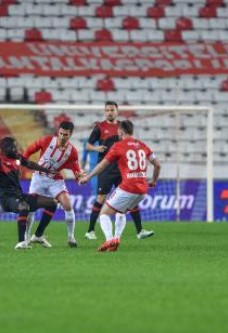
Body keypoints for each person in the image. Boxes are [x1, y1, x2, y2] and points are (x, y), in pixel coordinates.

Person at [79, 120, 161, 252]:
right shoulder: (142, 145)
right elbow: (157, 165)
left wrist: (88, 177)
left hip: (128, 187)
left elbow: (103, 165)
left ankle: (110, 239)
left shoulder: (118, 146)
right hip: (143, 190)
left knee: (104, 214)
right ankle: (117, 238)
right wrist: (153, 181)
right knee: (121, 211)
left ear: (120, 131)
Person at [84, 101, 154, 241]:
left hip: (122, 169)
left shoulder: (122, 126)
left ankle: (140, 231)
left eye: (112, 109)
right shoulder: (100, 127)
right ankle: (90, 230)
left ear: (117, 111)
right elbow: (88, 145)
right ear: (105, 112)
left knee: (130, 200)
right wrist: (97, 148)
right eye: (107, 110)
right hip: (105, 168)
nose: (110, 112)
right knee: (101, 198)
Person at [0, 137, 59, 250]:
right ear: (6, 148)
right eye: (14, 146)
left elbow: (31, 164)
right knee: (24, 207)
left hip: (20, 196)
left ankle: (38, 235)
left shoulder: (18, 158)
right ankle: (21, 242)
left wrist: (47, 170)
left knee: (53, 203)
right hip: (6, 198)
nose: (16, 149)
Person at [22, 121, 85, 248]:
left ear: (71, 134)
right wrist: (23, 161)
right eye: (61, 133)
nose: (62, 137)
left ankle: (71, 237)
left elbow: (77, 171)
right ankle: (26, 238)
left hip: (55, 180)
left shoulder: (72, 152)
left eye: (65, 135)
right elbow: (29, 150)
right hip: (38, 178)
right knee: (30, 208)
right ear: (58, 132)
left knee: (67, 204)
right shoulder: (46, 140)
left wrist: (81, 178)